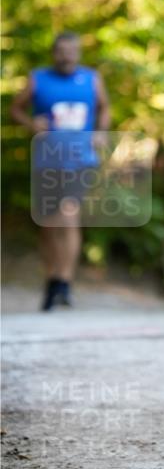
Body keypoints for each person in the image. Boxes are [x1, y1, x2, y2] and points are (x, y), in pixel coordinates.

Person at [10, 32, 111, 311]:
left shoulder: (92, 79)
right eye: (62, 51)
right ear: (54, 53)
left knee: (68, 213)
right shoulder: (37, 79)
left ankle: (64, 282)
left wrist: (101, 132)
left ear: (78, 53)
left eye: (72, 51)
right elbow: (15, 109)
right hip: (47, 160)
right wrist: (30, 123)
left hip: (81, 160)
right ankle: (53, 279)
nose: (67, 56)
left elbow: (104, 108)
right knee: (47, 224)